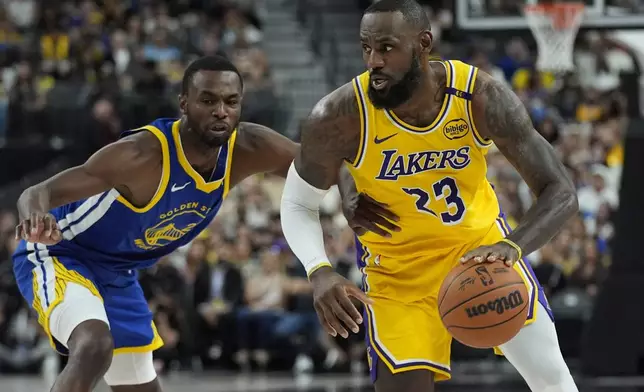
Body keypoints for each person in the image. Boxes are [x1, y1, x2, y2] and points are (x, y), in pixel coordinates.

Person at [12, 55, 392, 392]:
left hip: (117, 272)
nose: (221, 111)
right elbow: (38, 192)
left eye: (231, 101)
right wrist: (35, 216)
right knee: (94, 346)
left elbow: (324, 163)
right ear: (184, 104)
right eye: (208, 100)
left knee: (137, 382)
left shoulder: (246, 149)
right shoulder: (143, 154)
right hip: (60, 253)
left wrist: (347, 194)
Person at [279, 1, 580, 392]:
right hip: (396, 273)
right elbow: (298, 202)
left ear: (423, 43)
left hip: (482, 253)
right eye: (366, 47)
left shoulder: (478, 96)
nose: (374, 61)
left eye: (386, 47)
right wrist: (318, 269)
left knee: (552, 378)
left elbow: (561, 191)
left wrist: (513, 246)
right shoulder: (339, 115)